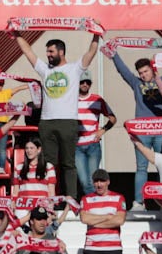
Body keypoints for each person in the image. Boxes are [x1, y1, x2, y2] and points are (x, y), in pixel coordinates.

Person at [14, 28, 100, 198]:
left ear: (61, 52)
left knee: (68, 163)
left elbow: (91, 51)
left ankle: (71, 200)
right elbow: (27, 51)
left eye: (51, 51)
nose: (48, 55)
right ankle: (50, 199)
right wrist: (16, 33)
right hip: (47, 122)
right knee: (49, 164)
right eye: (47, 52)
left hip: (68, 122)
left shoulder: (74, 68)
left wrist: (97, 33)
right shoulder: (45, 69)